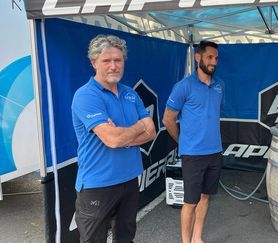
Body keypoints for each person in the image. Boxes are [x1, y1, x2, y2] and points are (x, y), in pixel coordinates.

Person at [71, 34, 156, 243]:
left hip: (129, 179)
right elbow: (113, 139)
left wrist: (123, 134)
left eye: (118, 60)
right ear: (93, 63)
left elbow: (152, 131)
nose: (113, 66)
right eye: (106, 61)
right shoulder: (86, 96)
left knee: (126, 237)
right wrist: (137, 126)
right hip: (97, 184)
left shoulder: (130, 94)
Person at [162, 40, 223, 243]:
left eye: (216, 58)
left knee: (205, 197)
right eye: (209, 57)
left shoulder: (219, 85)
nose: (213, 61)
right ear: (198, 57)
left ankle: (197, 238)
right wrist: (183, 142)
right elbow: (167, 119)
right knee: (190, 202)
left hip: (214, 152)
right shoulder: (183, 86)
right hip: (193, 155)